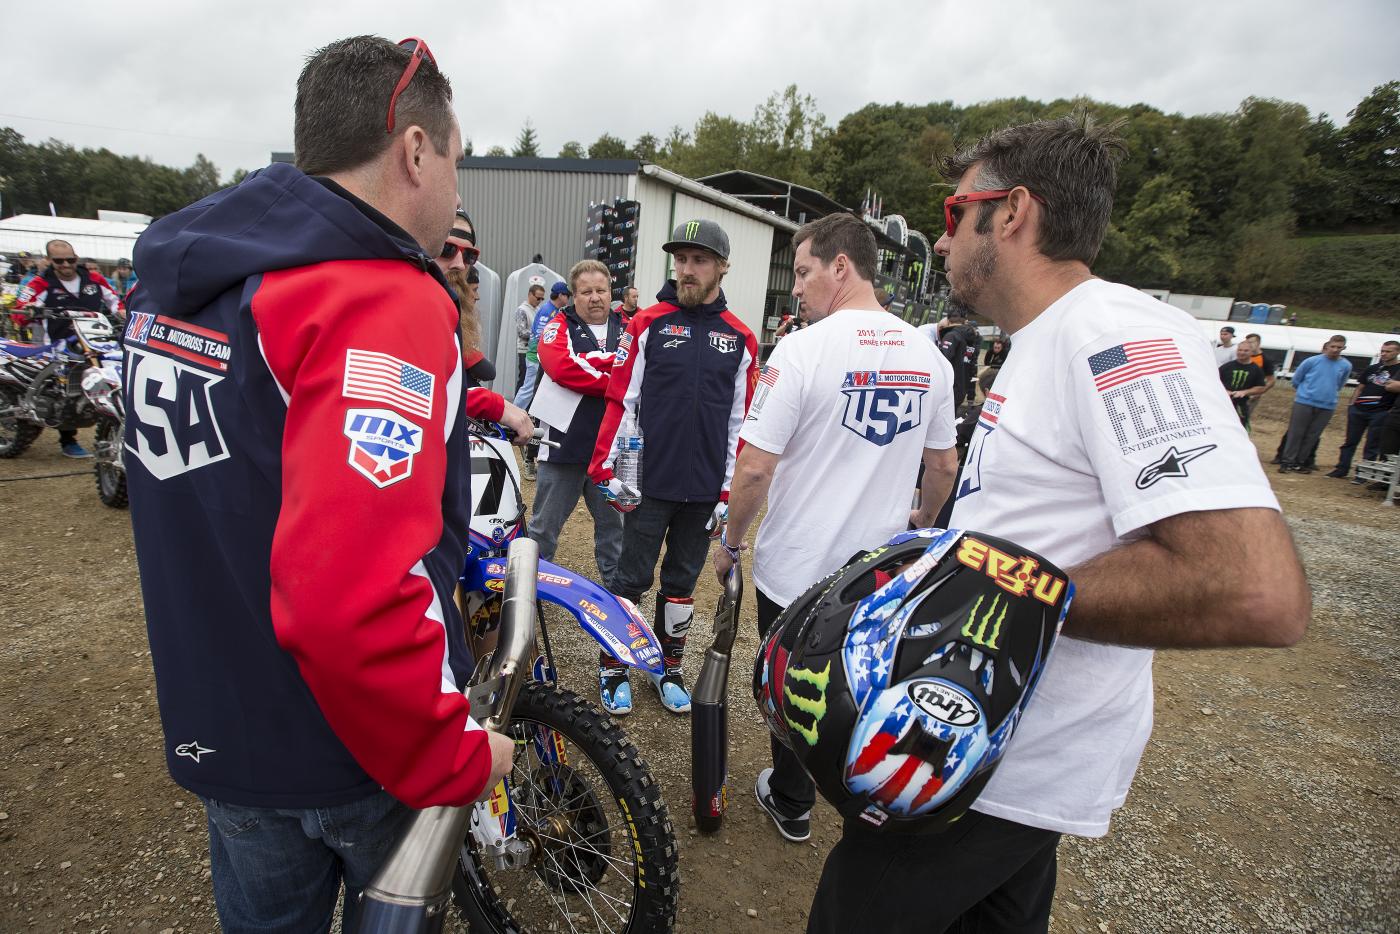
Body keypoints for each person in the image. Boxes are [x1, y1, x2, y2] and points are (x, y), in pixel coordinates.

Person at [805, 115, 1309, 934]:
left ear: (1012, 214)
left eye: (952, 213)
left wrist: (989, 595)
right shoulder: (1044, 337)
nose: (940, 242)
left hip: (994, 772)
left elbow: (1252, 587)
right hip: (995, 755)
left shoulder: (1115, 334)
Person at [122, 36, 514, 933]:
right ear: (415, 150)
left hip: (222, 717)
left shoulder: (179, 280)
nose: (458, 188)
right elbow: (350, 593)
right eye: (458, 158)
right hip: (352, 750)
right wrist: (445, 752)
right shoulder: (376, 298)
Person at [713, 212, 958, 843]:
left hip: (796, 568)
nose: (795, 287)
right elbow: (942, 464)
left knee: (794, 688)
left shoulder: (800, 351)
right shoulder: (929, 357)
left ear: (840, 268)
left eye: (802, 271)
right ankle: (861, 801)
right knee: (866, 682)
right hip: (879, 571)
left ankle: (793, 799)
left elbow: (755, 470)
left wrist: (730, 541)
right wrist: (924, 522)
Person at [588, 219, 758, 716]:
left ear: (722, 267)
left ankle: (669, 667)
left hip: (704, 489)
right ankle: (614, 664)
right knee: (631, 578)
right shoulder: (647, 324)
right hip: (649, 482)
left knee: (682, 584)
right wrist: (606, 467)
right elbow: (621, 398)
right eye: (680, 260)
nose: (686, 269)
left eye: (698, 260)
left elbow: (740, 423)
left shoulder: (742, 338)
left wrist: (728, 493)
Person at [527, 260, 625, 583]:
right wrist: (613, 377)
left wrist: (590, 363)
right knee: (544, 529)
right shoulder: (559, 324)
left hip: (610, 452)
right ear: (573, 295)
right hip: (562, 447)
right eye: (586, 291)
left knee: (615, 531)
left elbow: (640, 368)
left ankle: (619, 596)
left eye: (601, 290)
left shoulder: (628, 327)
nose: (595, 297)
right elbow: (560, 367)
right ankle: (530, 598)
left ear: (611, 292)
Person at [15, 238, 125, 457]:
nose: (66, 264)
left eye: (70, 259)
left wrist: (126, 315)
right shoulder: (41, 282)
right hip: (57, 342)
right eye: (59, 260)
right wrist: (29, 311)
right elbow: (20, 310)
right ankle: (68, 439)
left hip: (95, 338)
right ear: (49, 260)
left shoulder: (93, 278)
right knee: (65, 386)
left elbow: (116, 302)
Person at [436, 214, 533, 439]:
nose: (459, 263)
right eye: (447, 249)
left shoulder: (450, 309)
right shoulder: (405, 302)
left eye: (469, 255)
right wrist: (488, 401)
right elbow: (417, 393)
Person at [515, 281, 570, 480]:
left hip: (548, 363)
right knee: (531, 397)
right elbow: (539, 335)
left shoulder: (557, 311)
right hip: (538, 360)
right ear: (561, 295)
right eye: (568, 295)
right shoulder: (549, 311)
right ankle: (514, 421)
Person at [1327, 339, 1400, 478]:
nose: (1384, 354)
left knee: (1372, 445)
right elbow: (1360, 387)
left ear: (1397, 352)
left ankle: (1363, 475)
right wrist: (1352, 404)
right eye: (1382, 351)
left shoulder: (1398, 370)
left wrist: (1389, 411)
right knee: (1350, 442)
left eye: (1388, 351)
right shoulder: (1373, 368)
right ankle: (1341, 469)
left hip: (1381, 412)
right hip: (1359, 409)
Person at [1280, 336, 1352, 473]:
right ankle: (1287, 461)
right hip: (1304, 401)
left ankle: (1300, 462)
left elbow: (1341, 383)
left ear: (1344, 348)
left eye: (1339, 347)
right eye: (1333, 346)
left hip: (1327, 405)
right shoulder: (1312, 361)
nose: (1335, 350)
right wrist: (1305, 392)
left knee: (1313, 435)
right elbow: (1297, 379)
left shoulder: (1346, 365)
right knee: (1296, 433)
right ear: (1327, 346)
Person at [1218, 342, 1268, 428]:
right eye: (1240, 350)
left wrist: (1245, 392)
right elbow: (1214, 380)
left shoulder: (1256, 369)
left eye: (1246, 351)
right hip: (1223, 404)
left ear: (1251, 352)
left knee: (1241, 428)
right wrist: (1224, 391)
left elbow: (1261, 388)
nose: (1242, 352)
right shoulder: (1226, 366)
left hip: (1241, 405)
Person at [514, 282, 545, 386]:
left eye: (542, 299)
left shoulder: (537, 309)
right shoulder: (522, 310)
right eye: (538, 298)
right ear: (530, 295)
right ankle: (517, 403)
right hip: (525, 350)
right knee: (524, 381)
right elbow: (521, 332)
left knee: (533, 382)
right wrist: (540, 334)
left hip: (535, 350)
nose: (540, 301)